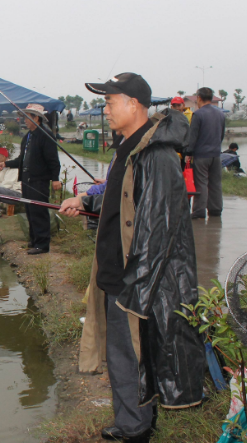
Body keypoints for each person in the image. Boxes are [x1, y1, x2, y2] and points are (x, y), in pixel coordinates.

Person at [60, 72, 203, 443]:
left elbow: (160, 230)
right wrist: (87, 200)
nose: (105, 109)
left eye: (110, 101)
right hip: (115, 272)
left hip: (133, 281)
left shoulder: (156, 156)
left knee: (129, 355)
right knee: (125, 355)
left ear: (133, 104)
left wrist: (133, 289)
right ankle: (136, 418)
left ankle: (133, 428)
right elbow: (123, 196)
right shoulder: (129, 147)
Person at [0, 103, 61, 255]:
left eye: (27, 117)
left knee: (39, 211)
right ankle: (34, 240)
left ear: (36, 118)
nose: (24, 120)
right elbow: (21, 159)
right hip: (27, 180)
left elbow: (53, 159)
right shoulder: (28, 137)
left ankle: (42, 245)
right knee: (30, 211)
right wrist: (5, 164)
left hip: (39, 180)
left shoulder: (45, 135)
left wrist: (55, 179)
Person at [184, 87, 226, 219]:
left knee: (201, 182)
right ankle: (215, 209)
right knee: (215, 183)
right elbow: (222, 135)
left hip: (201, 155)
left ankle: (199, 210)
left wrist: (188, 153)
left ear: (199, 98)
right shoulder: (220, 114)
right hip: (216, 154)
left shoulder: (198, 114)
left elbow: (193, 136)